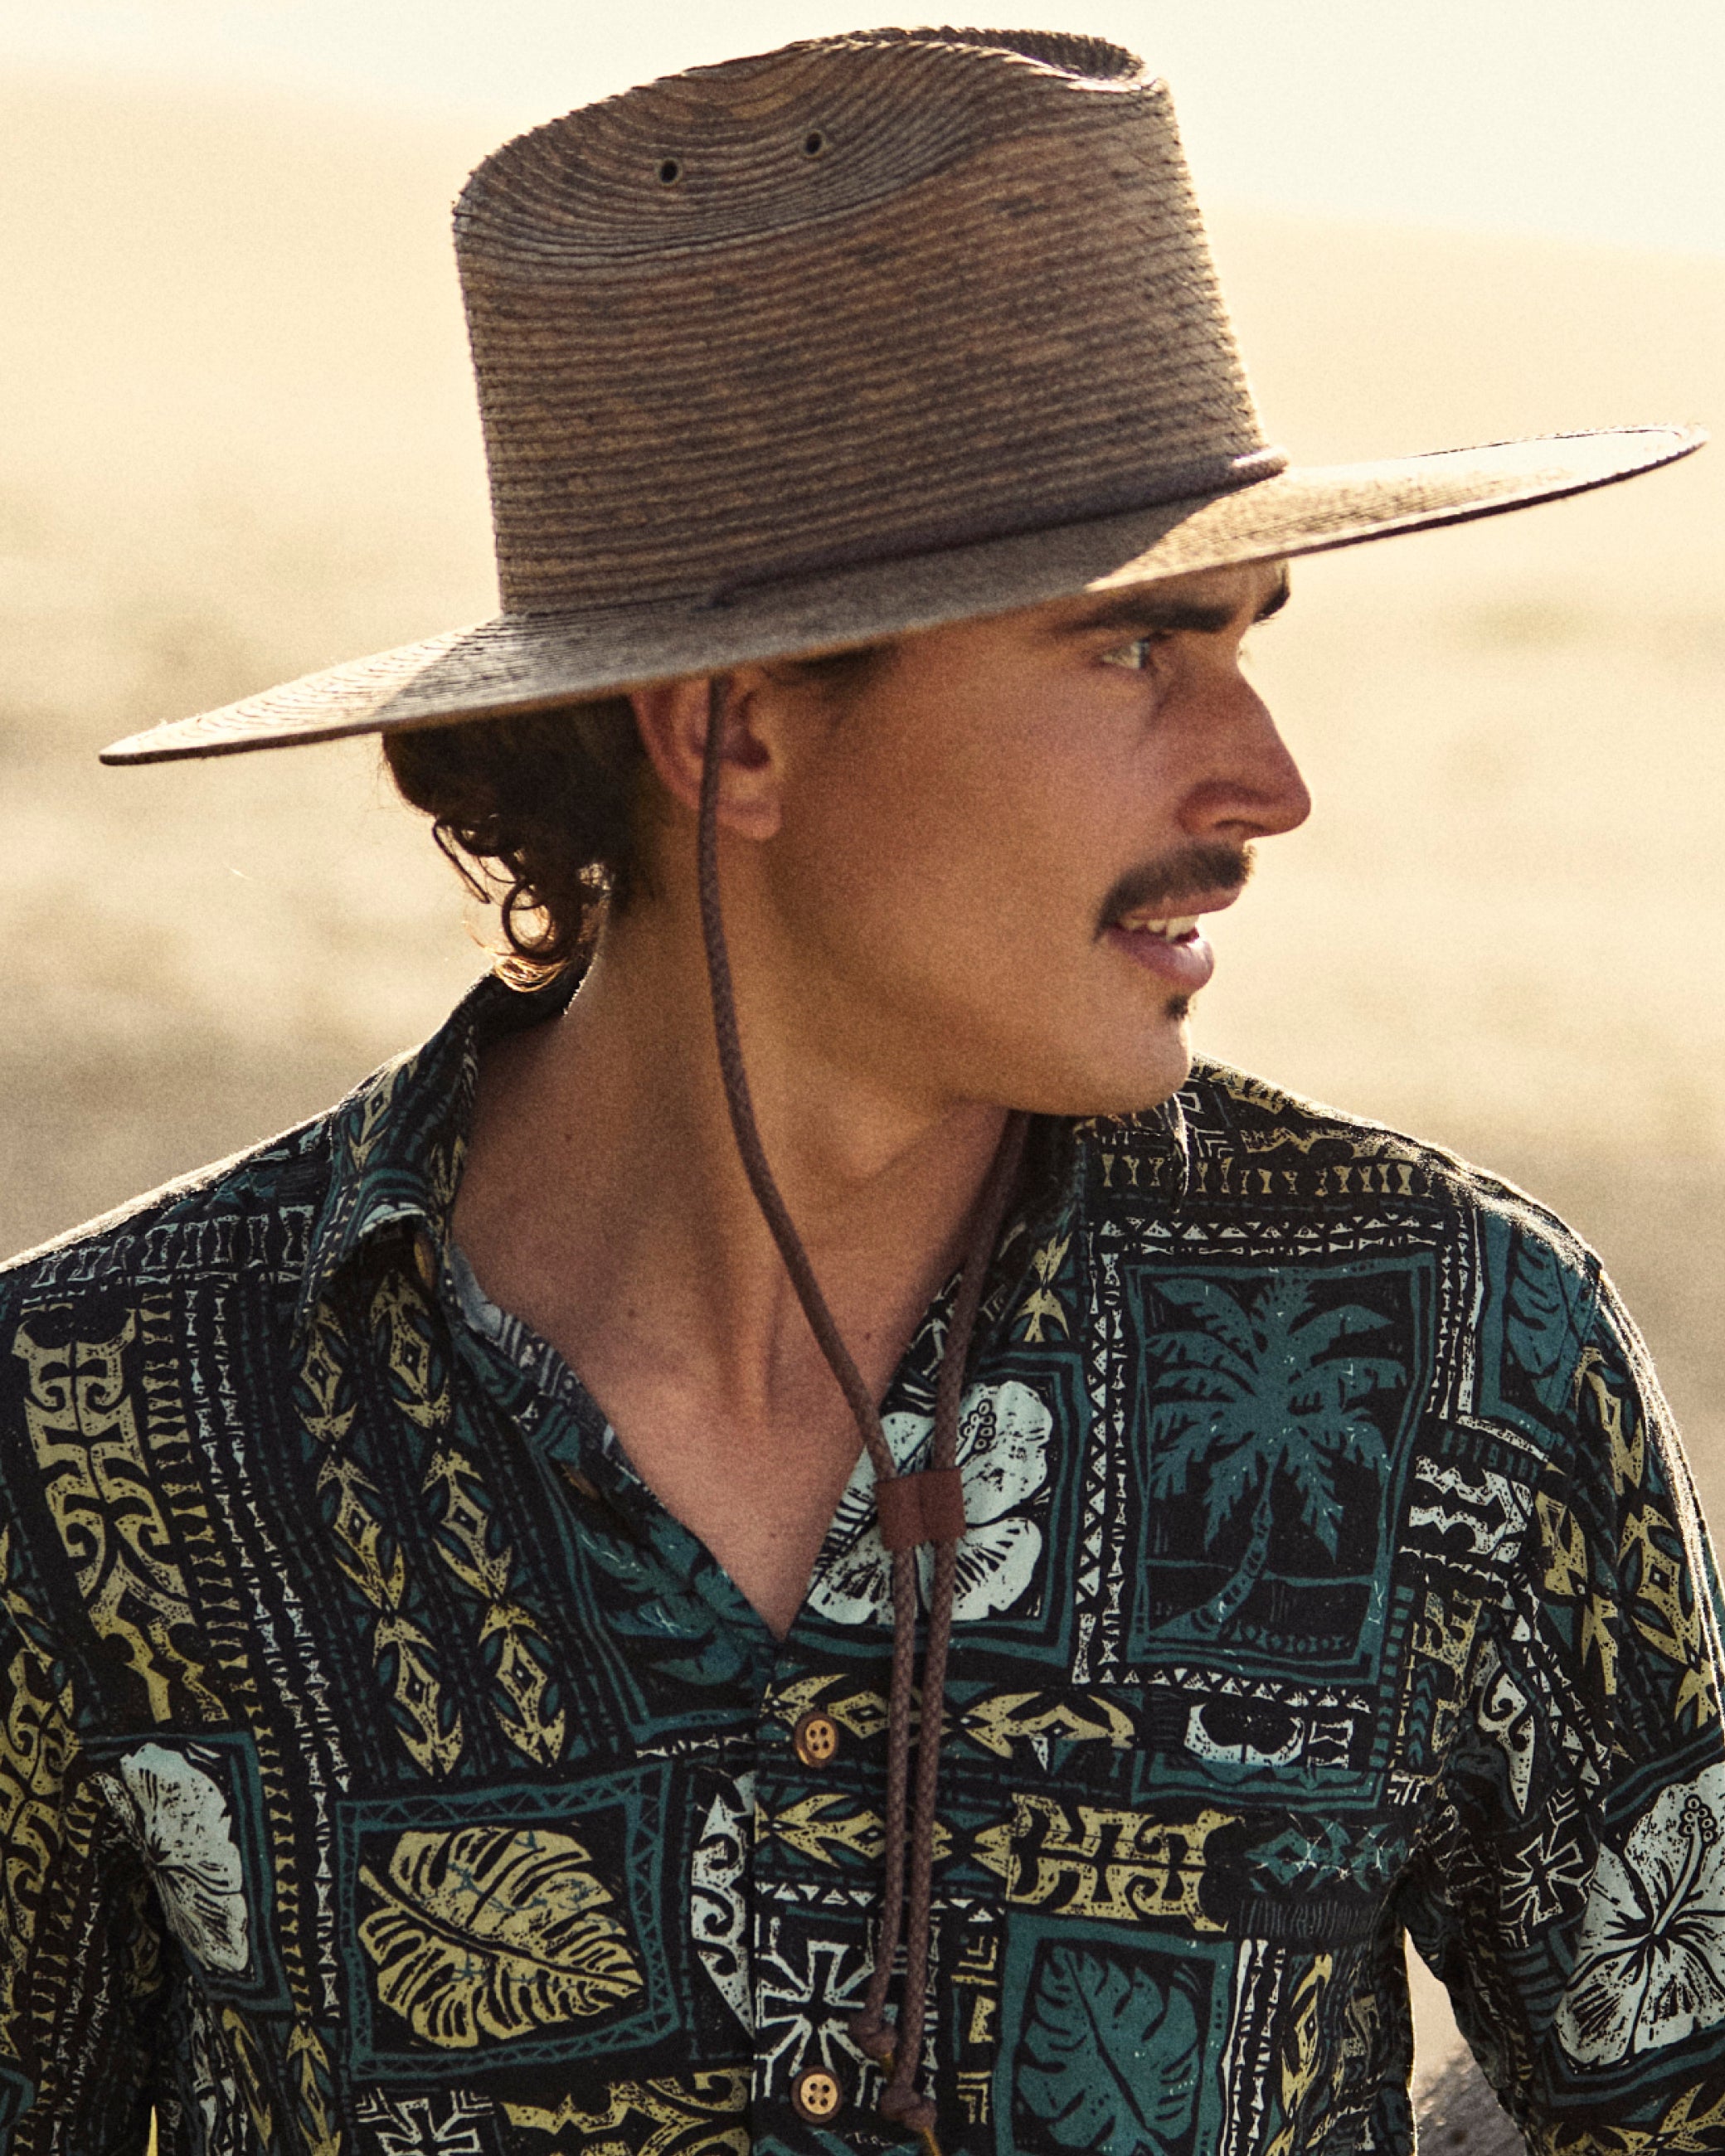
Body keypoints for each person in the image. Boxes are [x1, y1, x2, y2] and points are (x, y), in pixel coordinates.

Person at [2, 27, 1720, 2156]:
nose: (1265, 782)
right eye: (1132, 648)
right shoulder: (107, 1418)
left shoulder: (1447, 1350)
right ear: (731, 734)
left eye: (1248, 638)